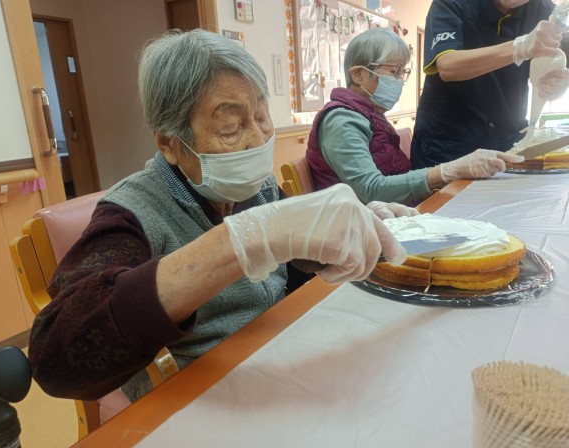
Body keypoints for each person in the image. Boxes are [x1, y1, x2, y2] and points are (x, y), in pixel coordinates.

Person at [28, 29, 415, 404]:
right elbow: (56, 358)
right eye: (230, 127)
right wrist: (243, 240)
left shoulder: (257, 187)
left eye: (261, 117)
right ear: (169, 143)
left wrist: (354, 229)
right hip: (203, 397)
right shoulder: (132, 212)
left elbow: (294, 268)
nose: (257, 140)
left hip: (280, 359)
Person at [306, 28, 523, 205]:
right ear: (358, 74)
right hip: (368, 230)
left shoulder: (368, 116)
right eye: (394, 72)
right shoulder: (342, 121)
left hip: (394, 216)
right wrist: (448, 171)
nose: (399, 81)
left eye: (402, 72)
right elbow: (371, 190)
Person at [411, 0, 569, 169]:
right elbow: (448, 66)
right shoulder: (451, 3)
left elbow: (554, 60)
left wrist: (558, 83)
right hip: (448, 142)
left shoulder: (544, 10)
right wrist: (520, 47)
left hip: (508, 137)